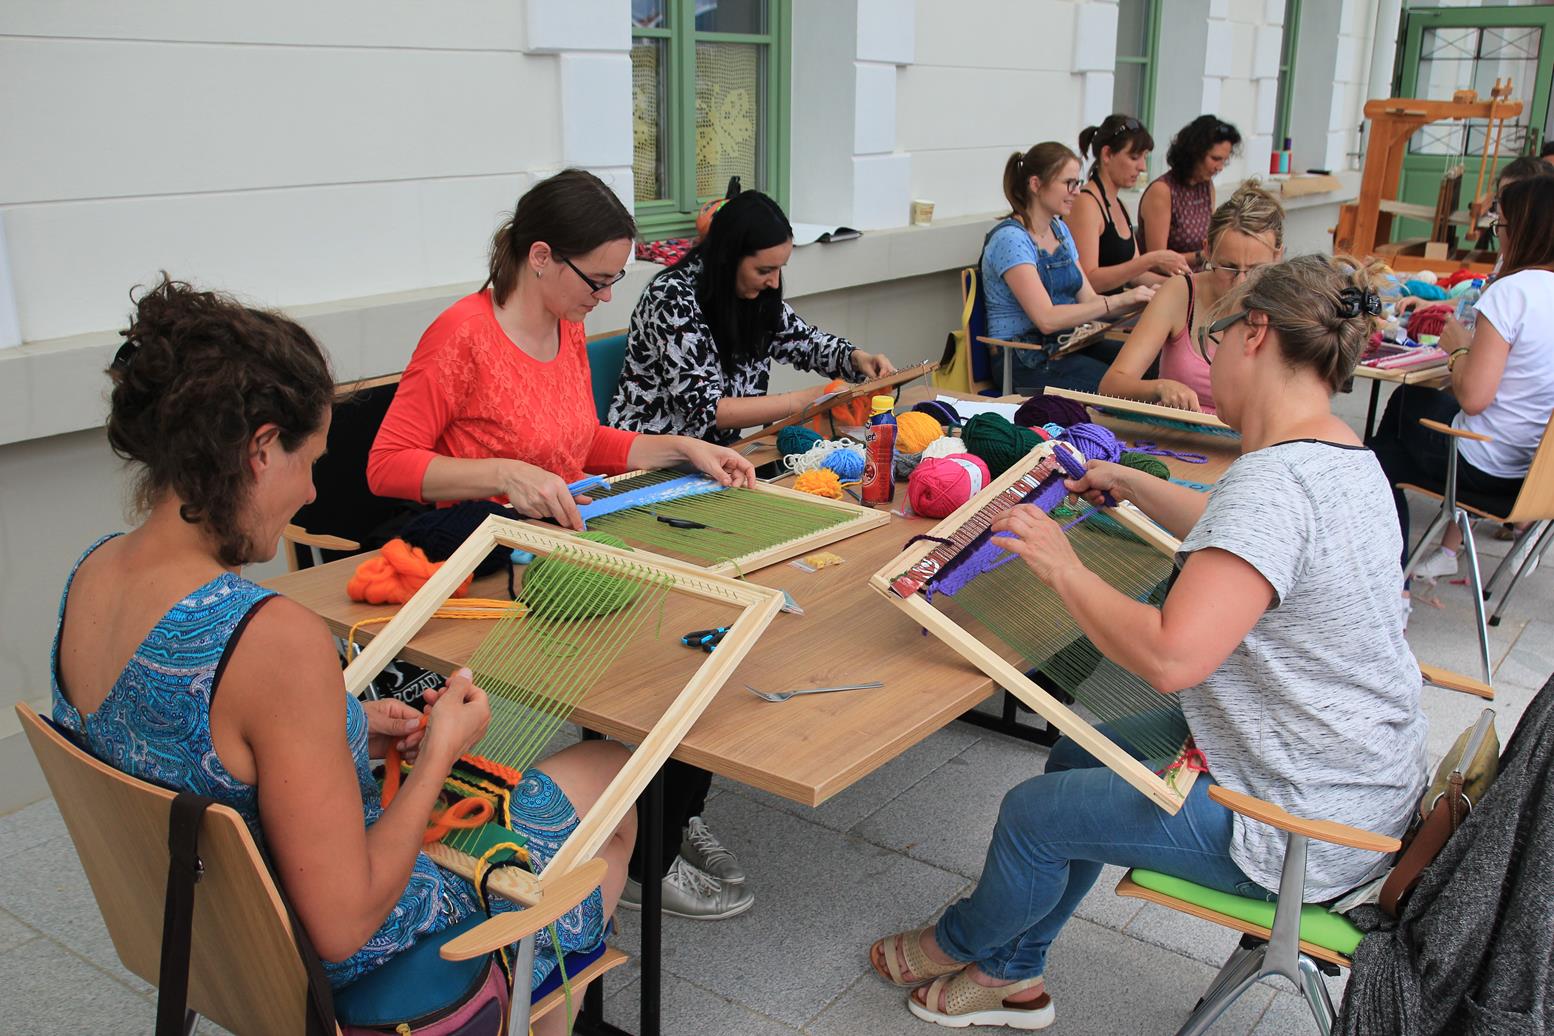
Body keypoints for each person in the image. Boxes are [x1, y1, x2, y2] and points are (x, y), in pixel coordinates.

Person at [55, 277, 634, 1033]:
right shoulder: (270, 637)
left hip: (201, 932)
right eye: (309, 464)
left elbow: (186, 744)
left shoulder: (90, 575)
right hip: (328, 958)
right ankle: (520, 1007)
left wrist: (347, 727)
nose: (309, 493)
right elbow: (343, 923)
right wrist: (439, 754)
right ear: (262, 449)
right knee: (611, 789)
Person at [870, 255, 1425, 1030]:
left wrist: (1062, 567)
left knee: (1032, 818)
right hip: (1357, 781)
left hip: (1301, 827)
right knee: (1077, 756)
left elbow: (1172, 657)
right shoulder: (1344, 456)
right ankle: (1015, 973)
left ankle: (963, 944)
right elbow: (1246, 544)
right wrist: (1132, 483)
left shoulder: (1275, 484)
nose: (1208, 360)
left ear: (1255, 332)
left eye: (1213, 339)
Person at [368, 168, 757, 922]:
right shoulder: (461, 334)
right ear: (541, 257)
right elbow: (386, 466)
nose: (606, 296)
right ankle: (647, 843)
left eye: (615, 280)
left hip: (559, 546)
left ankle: (661, 820)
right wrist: (502, 475)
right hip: (494, 570)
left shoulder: (565, 324)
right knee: (663, 659)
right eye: (598, 279)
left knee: (694, 647)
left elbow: (581, 443)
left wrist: (679, 448)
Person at [1368, 175, 1554, 583]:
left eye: (1500, 226)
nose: (1498, 236)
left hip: (1486, 464)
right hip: (1535, 474)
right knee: (1394, 441)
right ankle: (1401, 575)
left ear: (1524, 230)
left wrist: (1458, 349)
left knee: (1383, 446)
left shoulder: (1512, 292)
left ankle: (1391, 577)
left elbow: (1473, 397)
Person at [609, 188, 896, 443]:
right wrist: (810, 400)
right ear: (728, 257)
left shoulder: (752, 297)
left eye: (779, 268)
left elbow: (805, 342)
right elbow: (706, 410)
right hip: (653, 457)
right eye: (764, 270)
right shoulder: (671, 298)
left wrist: (857, 358)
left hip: (718, 453)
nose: (774, 282)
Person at [982, 142, 1156, 394]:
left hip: (1066, 345)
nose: (1077, 191)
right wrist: (1120, 300)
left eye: (1078, 182)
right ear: (1035, 184)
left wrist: (1147, 300)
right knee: (1124, 388)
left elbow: (1090, 301)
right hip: (1024, 359)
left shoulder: (1059, 229)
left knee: (1152, 367)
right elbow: (1047, 319)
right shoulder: (1011, 238)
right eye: (1069, 183)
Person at [1099, 181, 1285, 413]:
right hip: (1176, 433)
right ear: (1207, 251)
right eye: (1228, 267)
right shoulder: (1181, 293)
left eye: (1256, 270)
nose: (1241, 283)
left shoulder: (1290, 308)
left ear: (1278, 256)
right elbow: (1111, 385)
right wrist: (1160, 387)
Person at [1067, 114, 1191, 294]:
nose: (1142, 167)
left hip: (1116, 306)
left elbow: (1136, 276)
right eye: (1134, 157)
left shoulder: (1119, 204)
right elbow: (1088, 280)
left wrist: (1188, 284)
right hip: (1096, 310)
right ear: (1107, 154)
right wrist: (1151, 260)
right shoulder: (1085, 203)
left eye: (1145, 157)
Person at [1139, 115, 1242, 269]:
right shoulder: (1162, 191)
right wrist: (1203, 256)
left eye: (1224, 161)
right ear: (1195, 153)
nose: (1220, 167)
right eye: (1215, 159)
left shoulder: (1206, 186)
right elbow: (1158, 261)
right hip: (1167, 280)